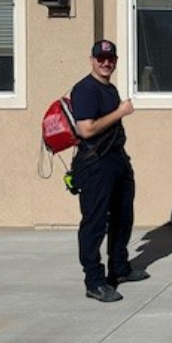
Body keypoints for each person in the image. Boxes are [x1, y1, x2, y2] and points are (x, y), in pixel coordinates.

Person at [70, 39, 149, 303]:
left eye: (110, 59)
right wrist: (121, 112)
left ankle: (120, 267)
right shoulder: (84, 89)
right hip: (95, 165)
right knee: (94, 223)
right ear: (91, 60)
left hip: (116, 160)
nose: (106, 63)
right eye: (101, 58)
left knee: (122, 218)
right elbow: (86, 129)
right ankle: (94, 280)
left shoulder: (110, 89)